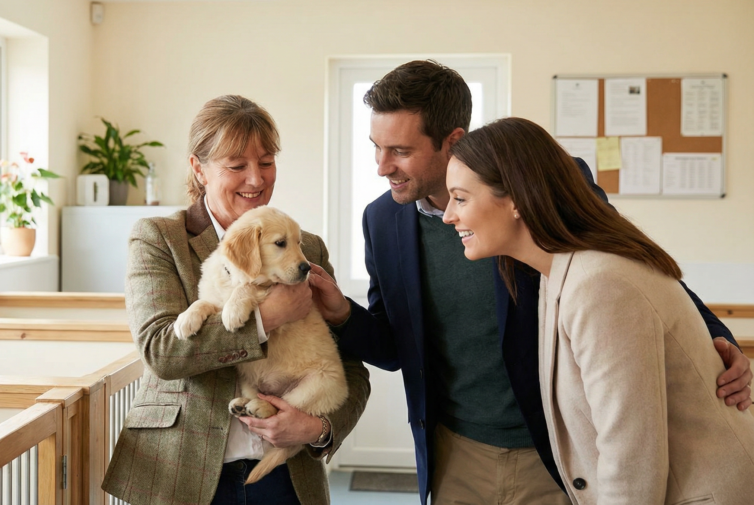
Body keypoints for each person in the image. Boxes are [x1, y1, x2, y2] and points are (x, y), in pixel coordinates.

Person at [307, 60, 752, 505]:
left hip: (559, 447)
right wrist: (342, 314)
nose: (382, 167)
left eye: (400, 151)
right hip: (457, 449)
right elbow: (393, 345)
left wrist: (712, 339)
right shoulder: (381, 220)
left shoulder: (539, 186)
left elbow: (624, 264)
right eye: (376, 147)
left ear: (453, 140)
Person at [442, 116, 754, 504]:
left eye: (460, 198)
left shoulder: (600, 284)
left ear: (517, 200)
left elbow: (631, 459)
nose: (448, 215)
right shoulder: (556, 270)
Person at [102, 95, 370, 505]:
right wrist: (265, 317)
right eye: (236, 165)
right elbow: (161, 351)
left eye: (266, 162)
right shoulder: (160, 238)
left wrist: (317, 430)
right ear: (198, 168)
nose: (255, 179)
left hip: (286, 477)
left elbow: (350, 368)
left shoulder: (305, 249)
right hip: (182, 471)